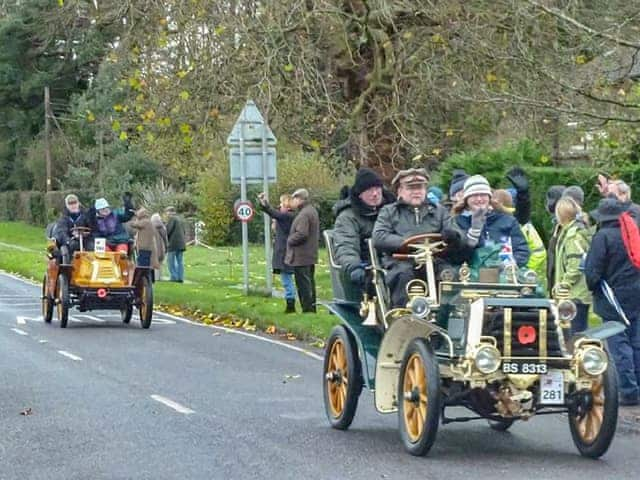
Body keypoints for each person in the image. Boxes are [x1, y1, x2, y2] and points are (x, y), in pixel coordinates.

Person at [584, 198, 640, 406]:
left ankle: (628, 390)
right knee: (636, 341)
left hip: (613, 296)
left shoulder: (603, 237)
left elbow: (593, 272)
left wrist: (592, 286)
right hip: (636, 292)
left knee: (619, 343)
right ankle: (637, 387)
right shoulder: (632, 232)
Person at [372, 168, 449, 307]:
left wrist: (452, 236)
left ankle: (450, 318)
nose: (416, 192)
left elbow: (456, 235)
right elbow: (379, 237)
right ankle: (403, 318)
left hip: (434, 260)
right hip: (401, 261)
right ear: (400, 191)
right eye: (410, 188)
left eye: (420, 187)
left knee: (449, 275)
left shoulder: (440, 212)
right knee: (404, 275)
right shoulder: (389, 212)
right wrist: (407, 242)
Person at [333, 168, 394, 291]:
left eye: (377, 189)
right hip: (367, 267)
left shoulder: (394, 210)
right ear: (360, 194)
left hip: (396, 263)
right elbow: (345, 245)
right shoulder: (347, 217)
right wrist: (354, 267)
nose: (375, 194)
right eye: (369, 190)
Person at [449, 175, 529, 267]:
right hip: (470, 276)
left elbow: (521, 250)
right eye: (474, 195)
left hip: (505, 275)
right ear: (466, 199)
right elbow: (455, 258)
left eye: (483, 195)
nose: (479, 199)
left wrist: (512, 264)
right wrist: (474, 233)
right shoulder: (457, 222)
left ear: (489, 198)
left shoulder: (508, 220)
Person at [553, 197, 592, 335]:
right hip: (578, 293)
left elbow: (575, 266)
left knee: (575, 334)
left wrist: (564, 284)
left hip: (575, 295)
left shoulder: (572, 236)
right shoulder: (575, 231)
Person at [493, 189, 547, 285]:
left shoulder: (521, 224)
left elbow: (539, 252)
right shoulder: (493, 221)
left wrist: (525, 269)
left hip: (521, 276)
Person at [258, 192, 297, 313]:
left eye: (281, 203)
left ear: (286, 205)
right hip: (287, 251)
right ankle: (291, 302)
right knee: (287, 278)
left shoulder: (287, 216)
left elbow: (273, 213)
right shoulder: (290, 217)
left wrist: (264, 203)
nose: (279, 206)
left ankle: (290, 304)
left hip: (285, 252)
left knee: (287, 279)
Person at [286, 188, 320, 313]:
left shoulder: (304, 214)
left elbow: (302, 234)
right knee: (309, 283)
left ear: (299, 199)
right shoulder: (311, 210)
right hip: (309, 254)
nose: (292, 201)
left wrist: (289, 240)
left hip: (302, 256)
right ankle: (312, 308)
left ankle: (308, 310)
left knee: (303, 285)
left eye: (293, 199)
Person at [53, 194, 91, 262]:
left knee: (92, 246)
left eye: (74, 203)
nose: (73, 206)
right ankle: (71, 268)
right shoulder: (64, 218)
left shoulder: (86, 215)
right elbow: (61, 232)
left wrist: (88, 235)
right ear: (67, 206)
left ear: (78, 203)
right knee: (72, 246)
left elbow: (92, 227)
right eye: (70, 204)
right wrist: (68, 241)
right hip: (71, 240)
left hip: (85, 240)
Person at [165, 206, 186, 283]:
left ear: (170, 212)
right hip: (181, 243)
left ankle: (174, 277)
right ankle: (180, 277)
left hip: (173, 243)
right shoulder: (180, 219)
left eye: (167, 212)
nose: (166, 214)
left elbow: (168, 231)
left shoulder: (172, 219)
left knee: (170, 261)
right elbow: (184, 231)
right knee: (180, 261)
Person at [151, 213, 168, 280]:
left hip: (153, 245)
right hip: (161, 246)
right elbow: (165, 237)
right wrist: (166, 246)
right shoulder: (162, 227)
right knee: (160, 262)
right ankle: (159, 277)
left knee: (154, 262)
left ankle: (155, 277)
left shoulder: (150, 226)